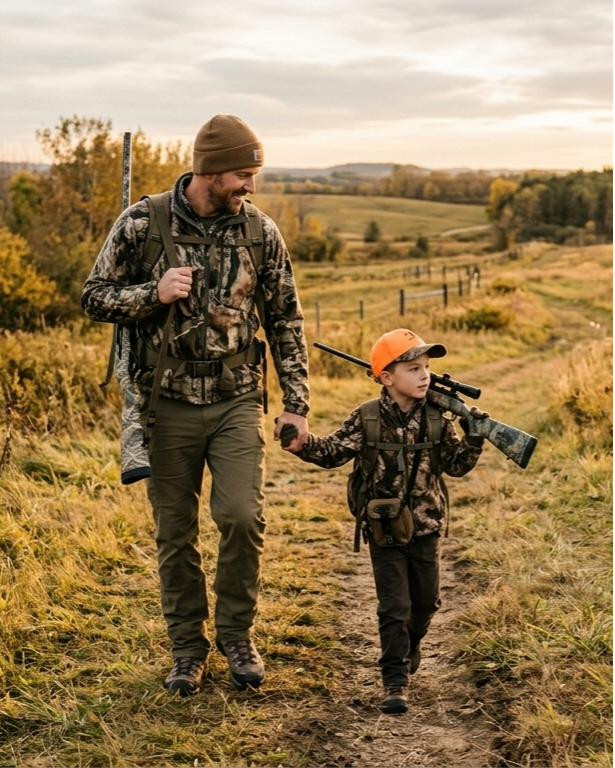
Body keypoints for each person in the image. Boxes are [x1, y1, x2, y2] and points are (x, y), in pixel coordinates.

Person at [82, 115, 309, 696]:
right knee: (174, 533)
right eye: (242, 174)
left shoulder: (260, 231)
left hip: (236, 400)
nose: (250, 186)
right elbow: (94, 296)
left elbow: (285, 318)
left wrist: (295, 403)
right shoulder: (142, 223)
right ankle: (188, 649)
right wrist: (150, 295)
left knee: (241, 517)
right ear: (209, 170)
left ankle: (237, 636)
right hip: (167, 405)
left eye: (254, 174)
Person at [285, 328, 486, 714]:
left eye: (426, 368)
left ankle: (410, 646)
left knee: (425, 603)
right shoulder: (367, 418)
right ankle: (395, 681)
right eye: (413, 368)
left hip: (426, 527)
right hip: (384, 528)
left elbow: (457, 467)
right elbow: (332, 452)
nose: (424, 375)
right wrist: (302, 443)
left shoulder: (438, 420)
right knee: (394, 606)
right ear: (387, 378)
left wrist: (474, 437)